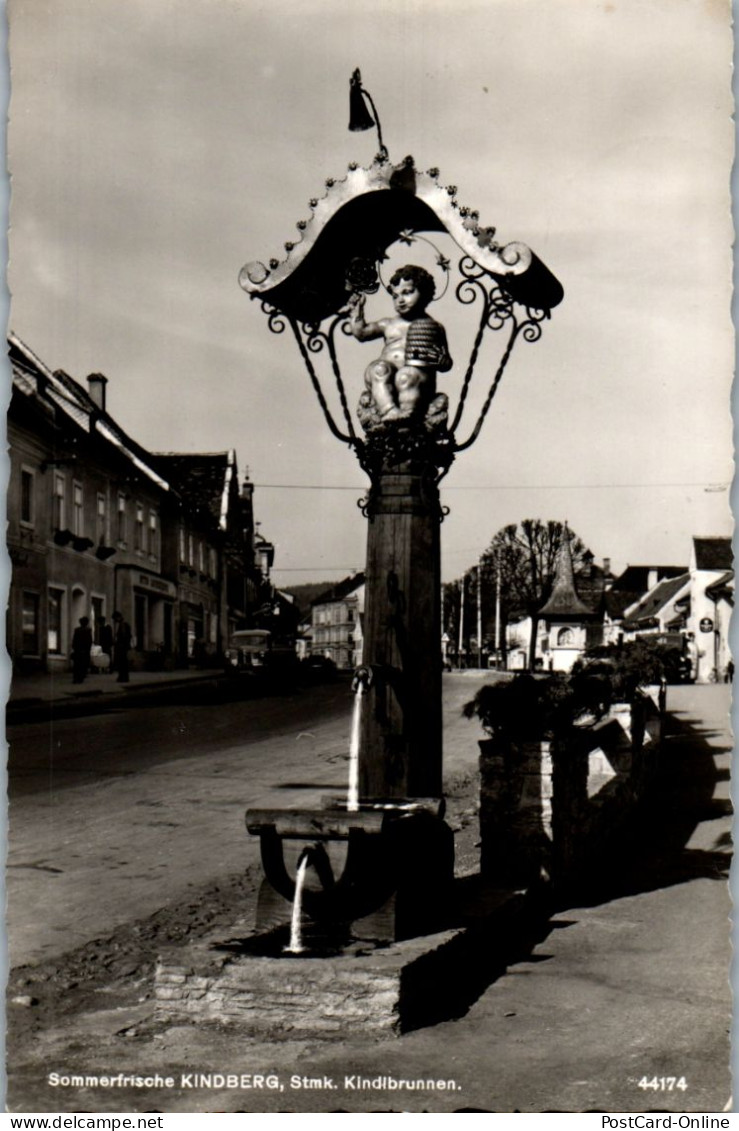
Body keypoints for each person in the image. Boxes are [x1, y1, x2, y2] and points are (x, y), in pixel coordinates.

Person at [349, 264, 452, 423]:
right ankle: (389, 410)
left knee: (407, 375)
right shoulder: (388, 324)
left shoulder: (434, 327)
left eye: (407, 293)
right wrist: (357, 311)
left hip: (416, 380)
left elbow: (446, 363)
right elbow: (361, 333)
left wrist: (441, 360)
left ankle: (407, 413)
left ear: (424, 292)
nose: (401, 300)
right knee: (379, 369)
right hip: (384, 377)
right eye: (395, 296)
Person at [71, 616, 93, 684]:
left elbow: (74, 640)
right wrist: (88, 649)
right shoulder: (88, 630)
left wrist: (74, 647)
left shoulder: (77, 630)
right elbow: (89, 641)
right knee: (83, 665)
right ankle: (80, 678)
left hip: (78, 649)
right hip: (84, 650)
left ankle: (76, 678)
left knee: (77, 665)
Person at [112, 611, 132, 683]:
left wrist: (118, 642)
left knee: (122, 662)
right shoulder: (125, 624)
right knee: (123, 662)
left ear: (118, 617)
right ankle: (124, 677)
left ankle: (122, 677)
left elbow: (123, 636)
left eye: (115, 619)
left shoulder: (122, 624)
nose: (115, 621)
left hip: (121, 647)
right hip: (124, 646)